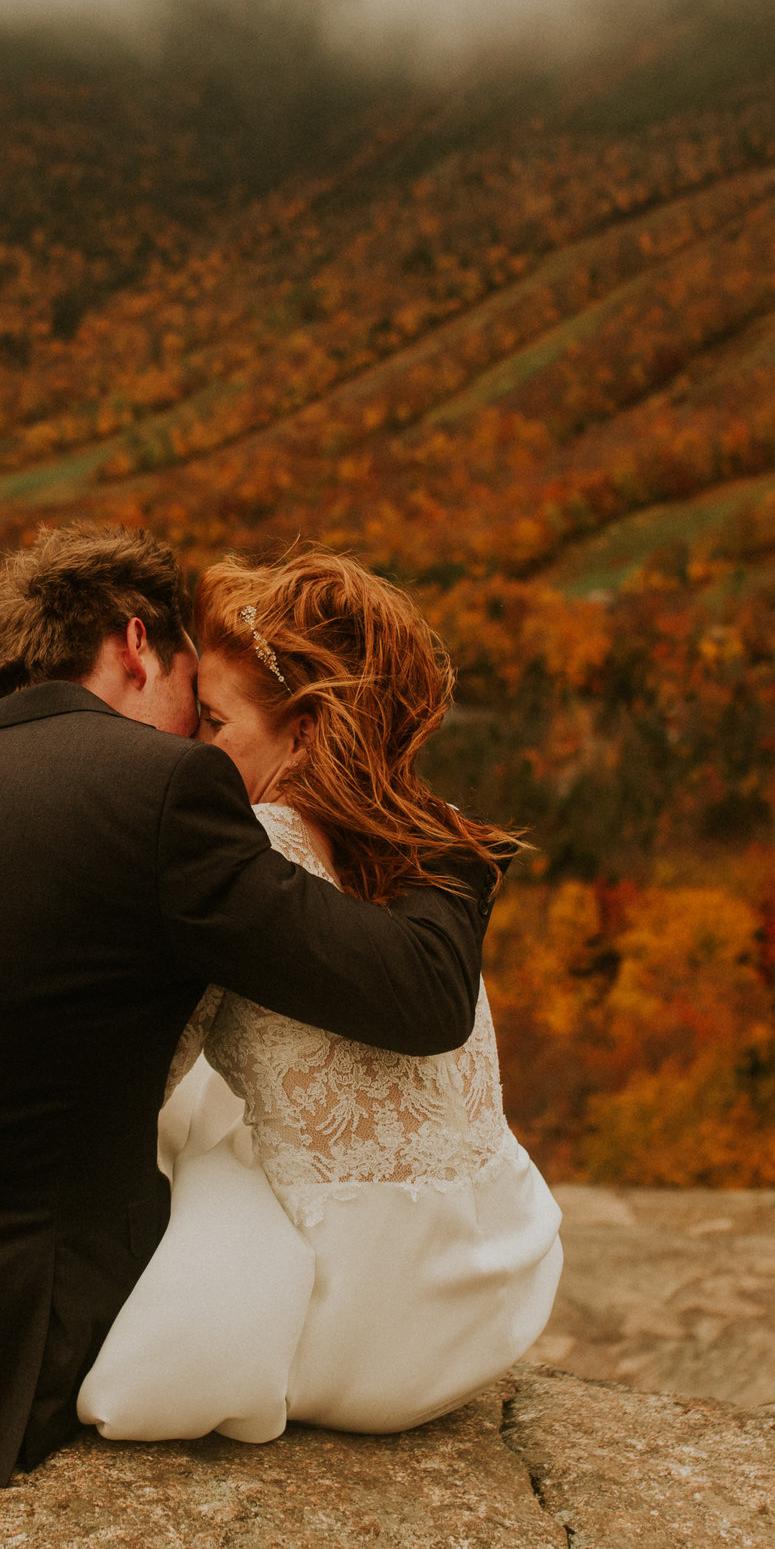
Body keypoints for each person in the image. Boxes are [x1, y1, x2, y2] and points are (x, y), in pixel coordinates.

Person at [0, 525, 501, 1488]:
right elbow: (415, 994)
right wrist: (441, 840)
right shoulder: (163, 790)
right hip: (24, 1357)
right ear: (136, 644)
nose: (196, 726)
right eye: (195, 695)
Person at [76, 547, 561, 1442]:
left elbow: (127, 1075)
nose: (189, 746)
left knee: (174, 1129)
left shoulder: (240, 847)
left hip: (353, 1324)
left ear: (304, 733)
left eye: (213, 722)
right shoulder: (423, 834)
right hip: (492, 1283)